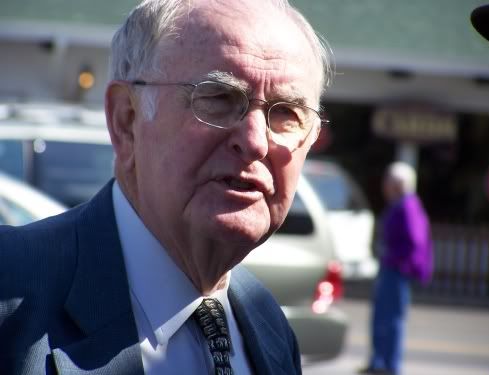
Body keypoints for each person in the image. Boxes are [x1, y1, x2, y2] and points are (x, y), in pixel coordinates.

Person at [0, 0, 332, 374]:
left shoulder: (268, 326)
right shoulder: (9, 294)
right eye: (219, 98)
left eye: (287, 112)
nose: (255, 141)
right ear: (127, 120)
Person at [359, 162, 433, 375]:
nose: (384, 187)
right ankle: (379, 362)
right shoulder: (402, 204)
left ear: (398, 185)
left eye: (388, 182)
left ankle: (390, 366)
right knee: (382, 318)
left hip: (397, 271)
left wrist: (394, 258)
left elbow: (415, 241)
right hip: (392, 268)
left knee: (392, 320)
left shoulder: (408, 206)